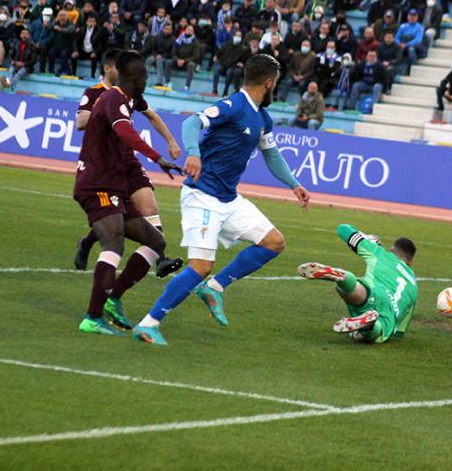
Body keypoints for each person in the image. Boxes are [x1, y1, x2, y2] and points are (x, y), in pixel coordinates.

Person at [132, 54, 311, 345]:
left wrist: (295, 184)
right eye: (275, 83)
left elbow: (272, 155)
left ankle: (214, 287)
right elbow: (192, 123)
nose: (275, 88)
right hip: (202, 196)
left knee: (274, 241)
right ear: (269, 82)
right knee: (200, 266)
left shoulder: (263, 118)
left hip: (228, 199)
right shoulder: (233, 105)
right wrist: (194, 152)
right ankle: (148, 324)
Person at [73, 50, 183, 336]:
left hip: (116, 183)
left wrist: (169, 141)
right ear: (136, 78)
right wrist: (157, 157)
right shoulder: (109, 98)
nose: (147, 82)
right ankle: (92, 317)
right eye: (145, 77)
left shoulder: (126, 99)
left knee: (156, 241)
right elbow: (125, 132)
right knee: (114, 246)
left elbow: (141, 122)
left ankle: (111, 300)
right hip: (97, 184)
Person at [298, 224, 418, 343]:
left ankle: (344, 278)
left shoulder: (380, 253)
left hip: (373, 293)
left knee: (349, 288)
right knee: (378, 329)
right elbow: (399, 332)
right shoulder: (414, 284)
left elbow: (342, 229)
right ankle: (369, 325)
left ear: (391, 250)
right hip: (390, 311)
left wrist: (367, 238)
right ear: (410, 262)